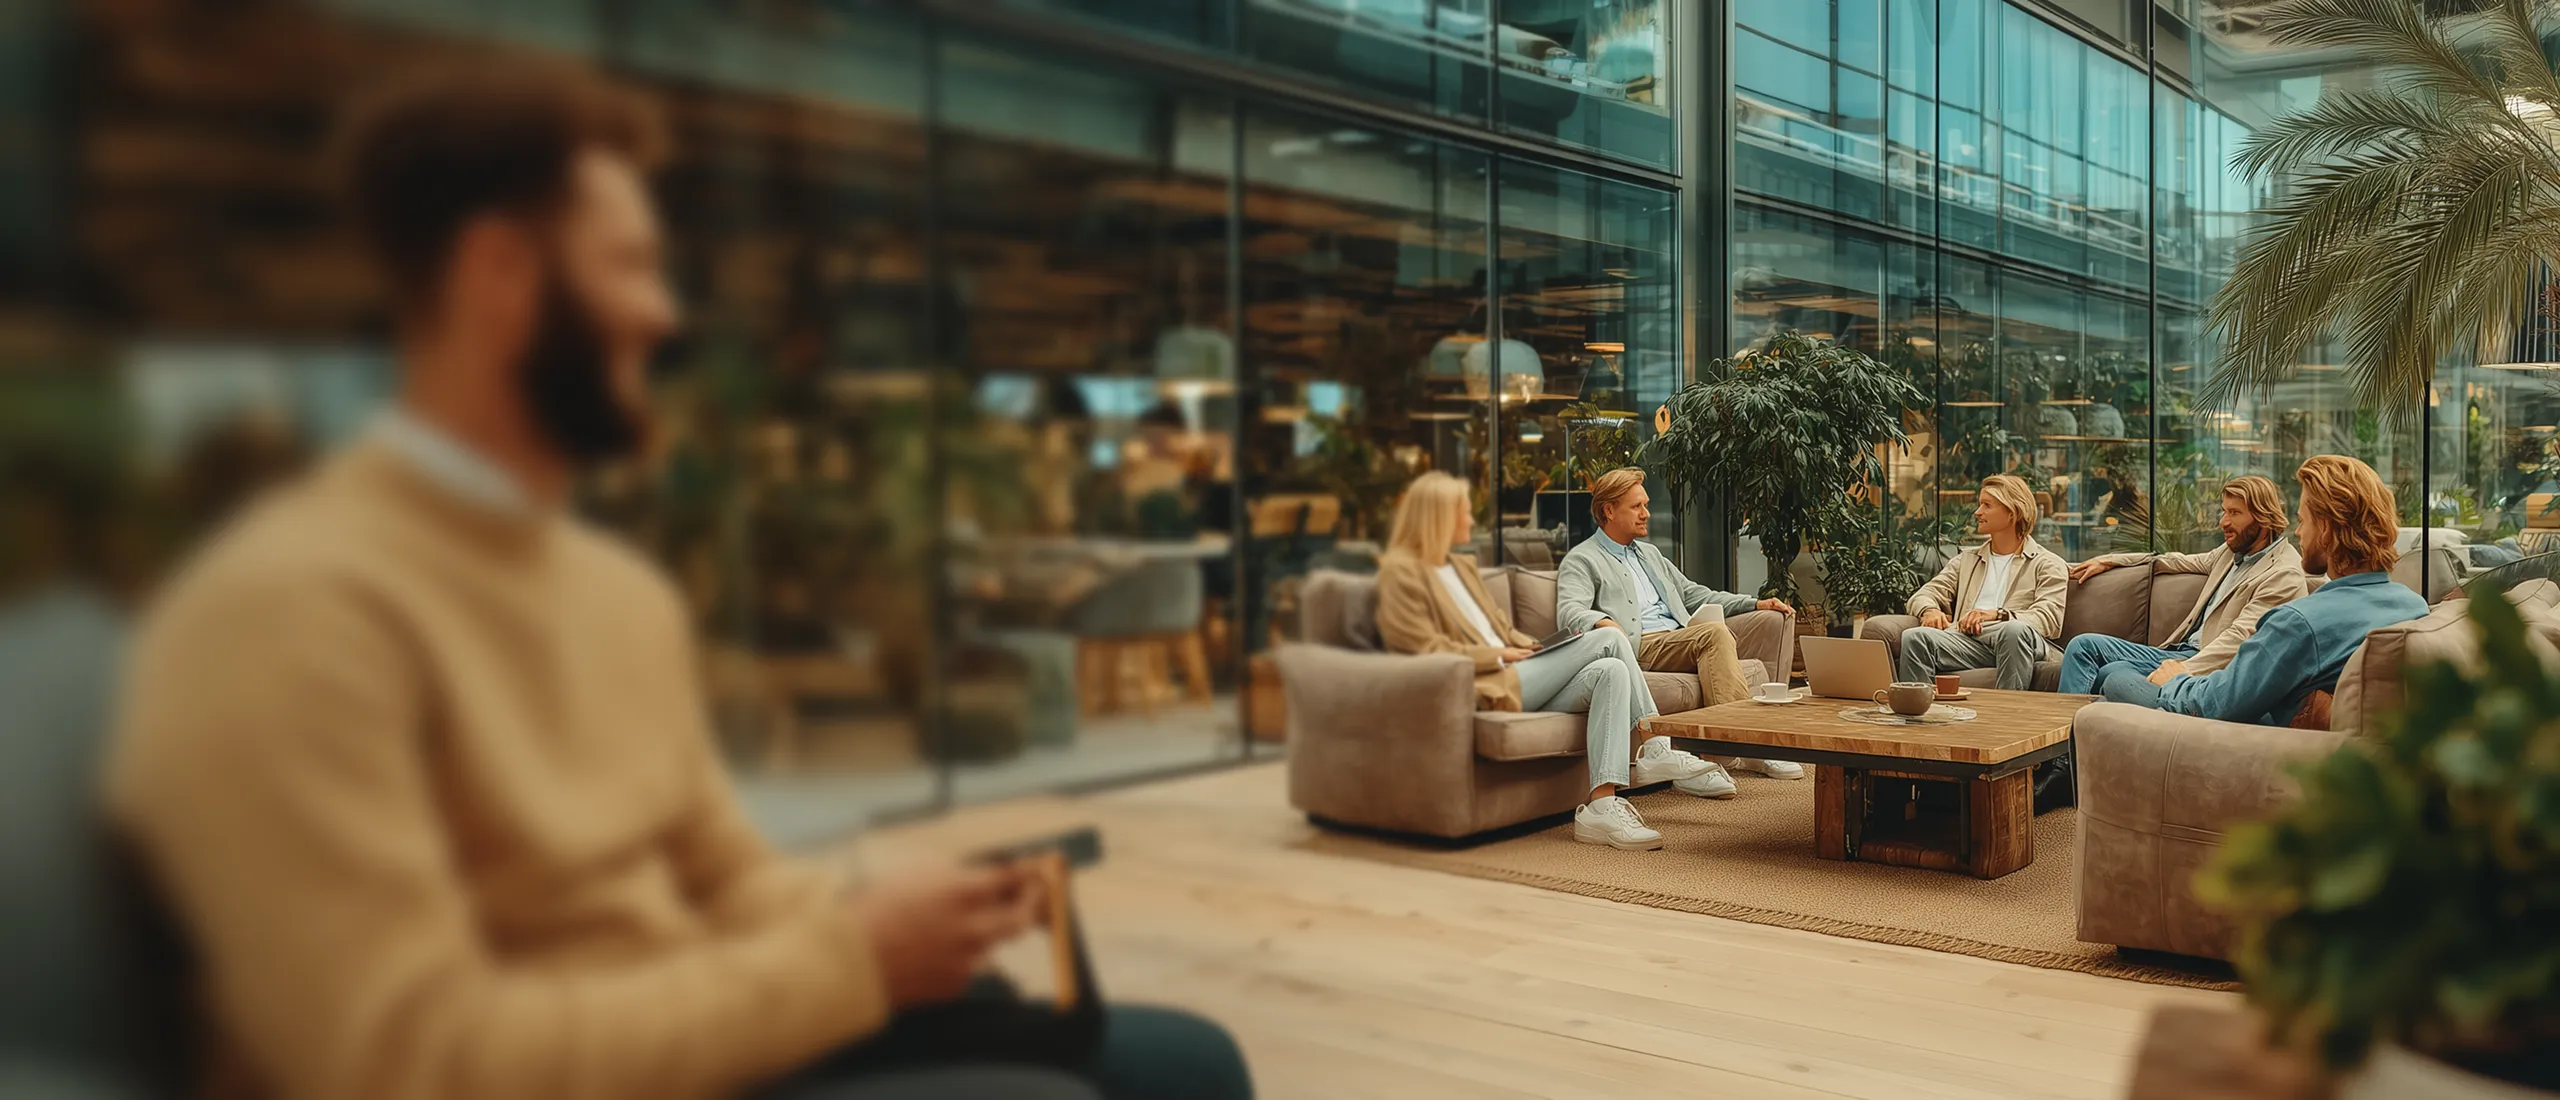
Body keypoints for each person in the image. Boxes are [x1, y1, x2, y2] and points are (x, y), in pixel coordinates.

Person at [105, 63, 1246, 1100]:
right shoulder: (285, 612)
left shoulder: (611, 590)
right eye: (630, 267)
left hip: (698, 1041)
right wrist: (849, 959)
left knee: (1187, 1066)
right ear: (500, 274)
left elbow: (724, 875)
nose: (661, 314)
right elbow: (411, 1060)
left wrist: (894, 918)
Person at [1374, 471, 1677, 851]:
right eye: (1464, 511)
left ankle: (1602, 806)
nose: (1470, 519)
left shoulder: (1460, 567)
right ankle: (1655, 744)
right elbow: (1421, 648)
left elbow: (1500, 627)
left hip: (1523, 671)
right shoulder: (1401, 573)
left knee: (1611, 671)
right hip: (1489, 681)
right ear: (1438, 515)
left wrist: (1533, 646)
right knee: (1609, 637)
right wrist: (1498, 654)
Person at [2101, 456, 2427, 724]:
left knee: (2117, 680)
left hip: (2251, 744)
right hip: (2311, 735)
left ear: (2326, 529)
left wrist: (2176, 680)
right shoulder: (2413, 605)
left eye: (2302, 521)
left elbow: (2215, 704)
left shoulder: (2299, 622)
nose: (2297, 532)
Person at [1554, 467, 1805, 793]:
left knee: (1715, 635)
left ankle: (1711, 761)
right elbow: (1569, 611)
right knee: (1714, 633)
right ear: (1609, 510)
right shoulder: (1583, 559)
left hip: (1677, 639)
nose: (1646, 514)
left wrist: (1754, 603)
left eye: (1646, 505)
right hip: (1638, 645)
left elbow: (1694, 594)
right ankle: (1744, 747)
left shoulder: (1649, 554)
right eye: (1637, 506)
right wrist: (1602, 622)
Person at [2060, 475, 2308, 700]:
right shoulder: (2231, 553)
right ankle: (2066, 733)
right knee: (2084, 647)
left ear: (2263, 518)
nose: (2223, 522)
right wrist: (2111, 560)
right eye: (2224, 512)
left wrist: (2182, 669)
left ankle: (2072, 734)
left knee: (2115, 675)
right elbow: (2173, 560)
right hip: (2180, 649)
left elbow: (2239, 641)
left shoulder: (2282, 573)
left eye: (2234, 513)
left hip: (2207, 664)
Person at [1897, 474, 2070, 691]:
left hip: (2018, 640)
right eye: (1980, 504)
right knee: (1915, 637)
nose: (1977, 512)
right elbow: (1924, 594)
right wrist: (1929, 610)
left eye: (1987, 505)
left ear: (2013, 512)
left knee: (2013, 631)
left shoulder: (2048, 563)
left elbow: (2049, 619)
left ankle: (2005, 710)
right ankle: (1920, 709)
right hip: (1970, 642)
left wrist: (1997, 615)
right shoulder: (1966, 560)